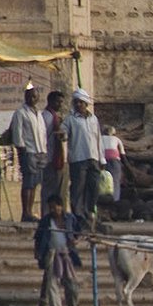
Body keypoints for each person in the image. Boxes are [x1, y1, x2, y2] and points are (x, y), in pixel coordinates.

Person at [33, 195, 82, 306]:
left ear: (61, 206)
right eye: (51, 208)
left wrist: (76, 241)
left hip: (67, 255)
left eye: (55, 207)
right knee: (52, 286)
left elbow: (78, 232)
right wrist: (37, 252)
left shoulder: (70, 219)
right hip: (51, 254)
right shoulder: (45, 221)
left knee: (72, 286)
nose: (53, 210)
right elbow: (38, 237)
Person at [62, 88, 103, 229]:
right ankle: (78, 216)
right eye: (76, 102)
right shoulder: (70, 119)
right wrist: (62, 135)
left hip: (94, 157)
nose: (78, 105)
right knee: (78, 188)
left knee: (94, 187)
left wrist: (102, 158)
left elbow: (98, 139)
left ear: (86, 104)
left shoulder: (93, 119)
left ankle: (89, 212)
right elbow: (63, 131)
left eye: (81, 102)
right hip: (78, 158)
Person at [10, 83, 47, 221]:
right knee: (28, 183)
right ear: (26, 97)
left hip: (40, 152)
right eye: (30, 96)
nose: (33, 99)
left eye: (35, 97)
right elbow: (17, 133)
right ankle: (25, 212)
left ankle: (30, 212)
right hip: (29, 152)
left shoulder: (39, 114)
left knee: (35, 184)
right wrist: (22, 149)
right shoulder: (20, 113)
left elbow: (42, 134)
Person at [41, 90, 67, 210]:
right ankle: (47, 215)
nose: (60, 105)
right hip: (50, 158)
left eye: (61, 102)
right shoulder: (45, 117)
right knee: (49, 191)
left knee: (60, 192)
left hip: (59, 158)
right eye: (58, 102)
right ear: (50, 101)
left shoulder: (57, 117)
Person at [100, 124, 125, 203]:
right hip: (114, 161)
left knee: (103, 180)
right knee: (116, 181)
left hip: (102, 160)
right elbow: (122, 153)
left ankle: (103, 198)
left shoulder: (100, 138)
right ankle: (115, 200)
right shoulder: (116, 139)